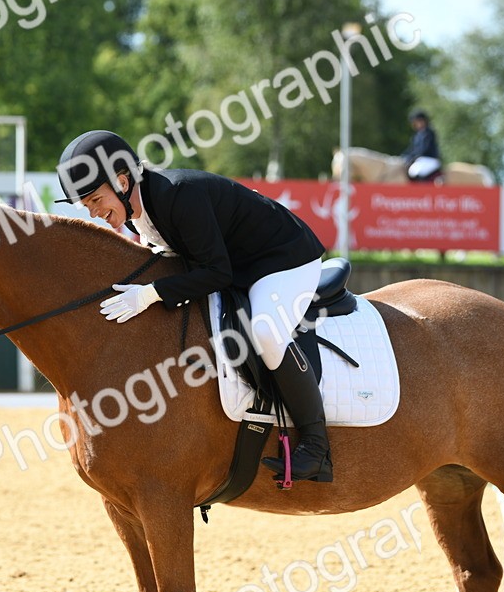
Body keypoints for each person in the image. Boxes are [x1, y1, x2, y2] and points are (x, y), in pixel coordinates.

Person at [55, 130, 333, 483]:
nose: (95, 213)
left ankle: (315, 444)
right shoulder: (136, 210)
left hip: (283, 259)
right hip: (241, 263)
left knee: (265, 329)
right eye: (87, 206)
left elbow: (216, 273)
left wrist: (150, 294)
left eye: (96, 200)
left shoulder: (177, 195)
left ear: (122, 182)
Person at [401, 109, 441, 181]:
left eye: (418, 121)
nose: (417, 124)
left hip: (429, 159)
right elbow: (411, 149)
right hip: (420, 160)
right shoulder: (417, 135)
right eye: (415, 122)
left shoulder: (429, 133)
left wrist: (412, 158)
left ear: (424, 121)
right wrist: (403, 157)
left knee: (415, 172)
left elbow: (424, 149)